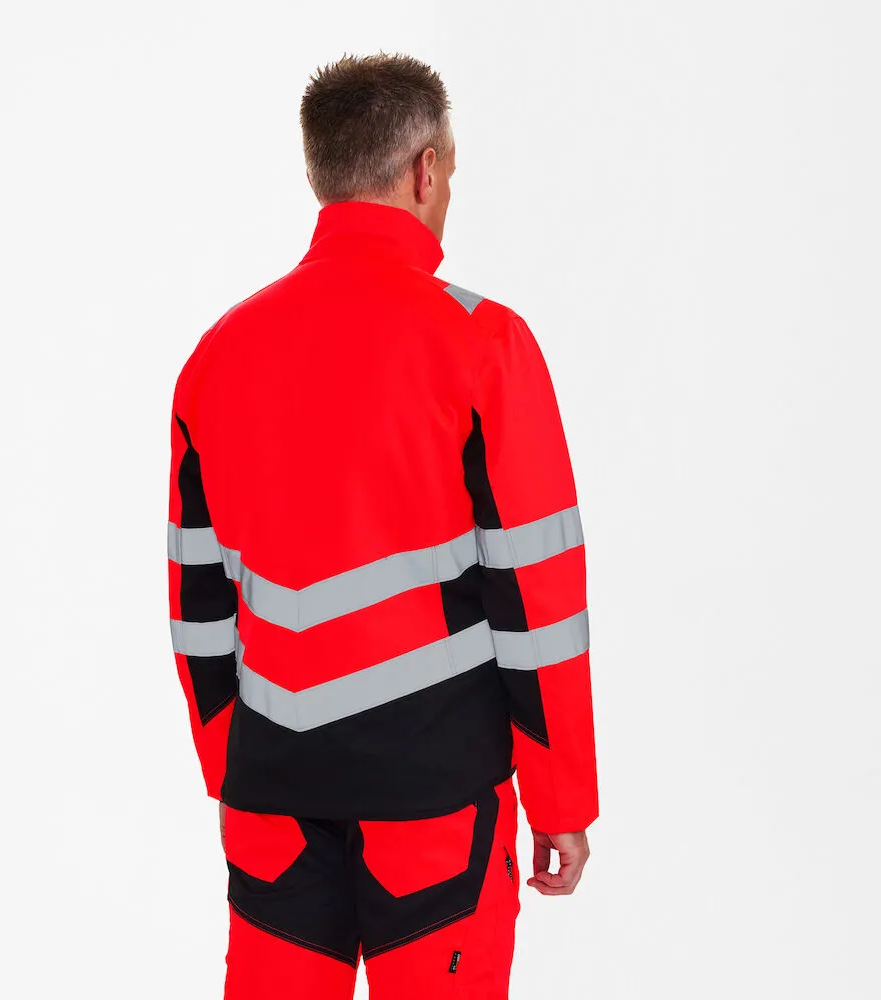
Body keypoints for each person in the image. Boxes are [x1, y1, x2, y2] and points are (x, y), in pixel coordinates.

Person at [167, 52, 598, 999]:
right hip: (436, 806)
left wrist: (239, 770)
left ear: (318, 172)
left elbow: (197, 607)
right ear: (426, 170)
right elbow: (538, 598)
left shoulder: (218, 354)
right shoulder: (484, 342)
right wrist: (562, 797)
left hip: (274, 802)